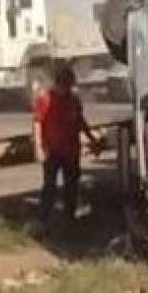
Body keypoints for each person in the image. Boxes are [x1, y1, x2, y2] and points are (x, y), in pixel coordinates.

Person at [32, 66, 102, 223]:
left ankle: (69, 220)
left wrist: (91, 138)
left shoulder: (73, 100)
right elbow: (37, 122)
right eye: (65, 86)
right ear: (58, 84)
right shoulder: (45, 99)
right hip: (52, 150)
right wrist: (38, 146)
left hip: (71, 150)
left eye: (69, 86)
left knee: (71, 186)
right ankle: (44, 219)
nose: (67, 89)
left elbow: (80, 121)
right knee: (49, 186)